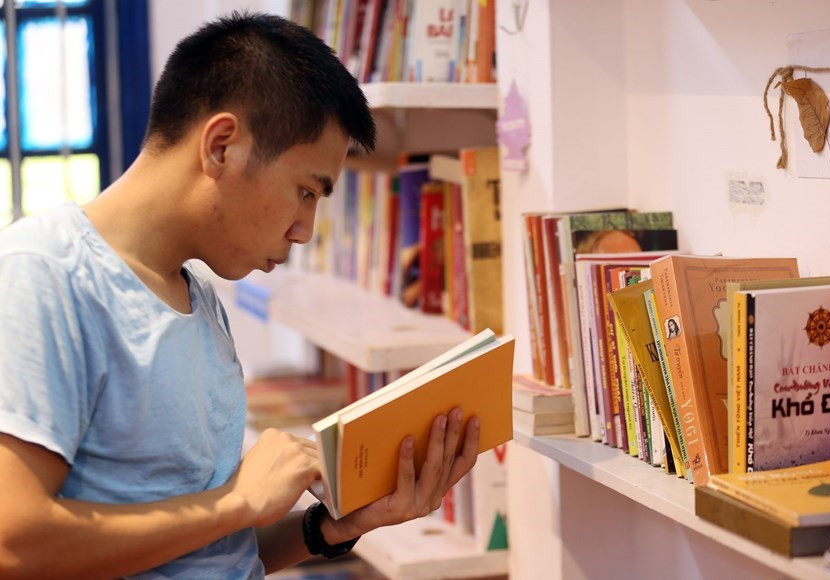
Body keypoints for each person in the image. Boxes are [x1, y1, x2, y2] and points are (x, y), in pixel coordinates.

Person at [0, 12, 480, 578]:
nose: (305, 229)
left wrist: (332, 527)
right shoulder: (42, 275)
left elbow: (211, 544)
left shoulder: (198, 295)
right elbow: (15, 543)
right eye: (305, 191)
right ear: (222, 146)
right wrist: (238, 502)